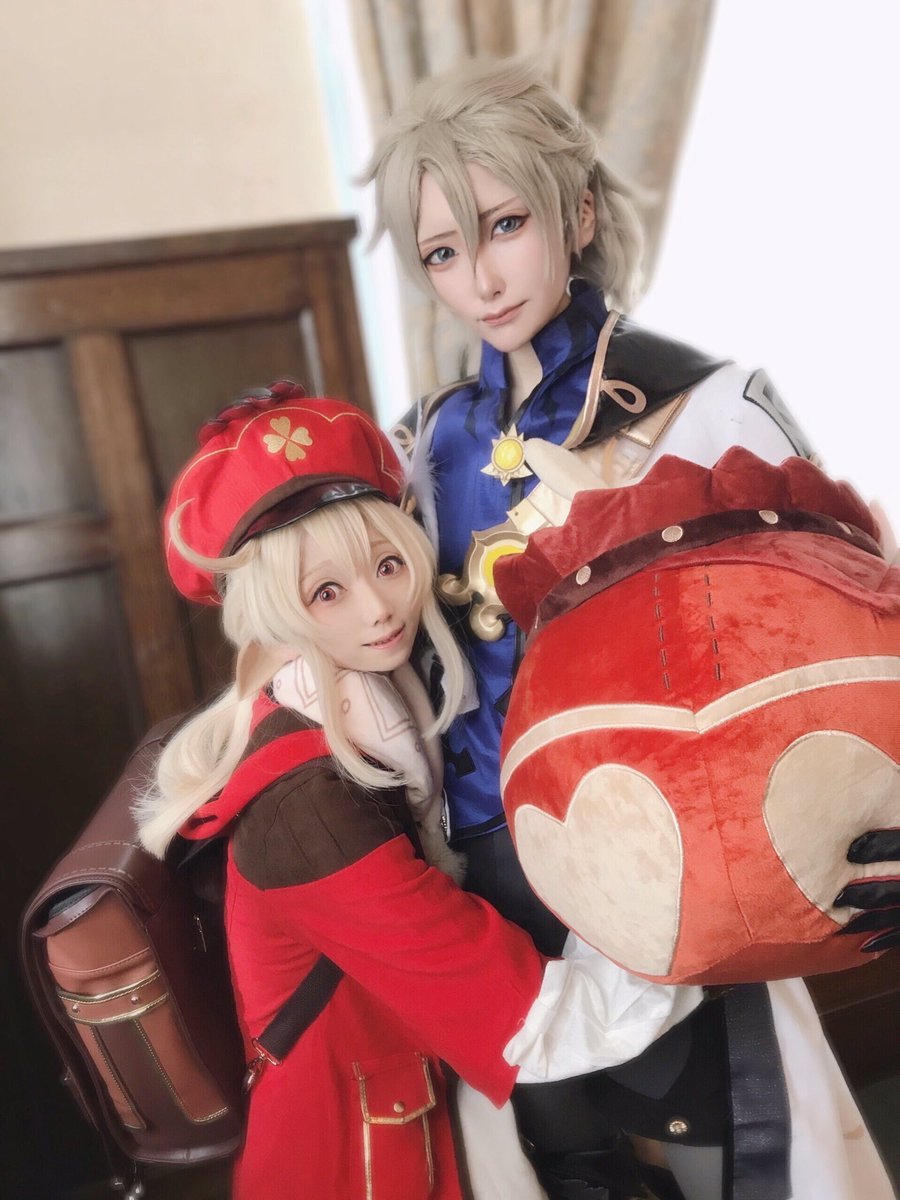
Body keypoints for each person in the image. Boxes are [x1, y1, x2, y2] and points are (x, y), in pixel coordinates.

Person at [363, 56, 897, 1200]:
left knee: (732, 1159)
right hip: (492, 890)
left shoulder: (705, 403)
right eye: (442, 252)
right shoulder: (417, 447)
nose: (480, 279)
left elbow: (853, 622)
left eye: (506, 226)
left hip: (678, 866)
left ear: (580, 212)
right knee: (560, 1170)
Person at [135, 382, 705, 1200]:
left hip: (412, 1105)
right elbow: (529, 1021)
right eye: (326, 591)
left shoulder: (355, 708)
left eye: (388, 565)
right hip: (355, 1158)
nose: (379, 610)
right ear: (273, 616)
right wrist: (696, 929)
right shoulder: (305, 807)